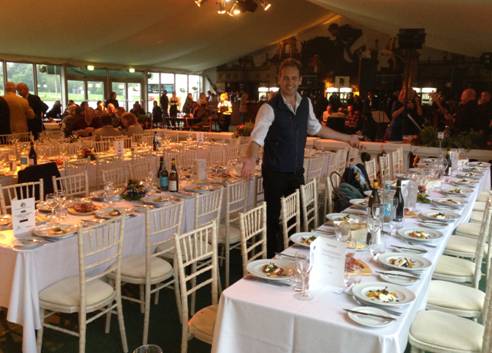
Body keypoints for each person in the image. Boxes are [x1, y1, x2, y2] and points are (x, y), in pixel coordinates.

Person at [241, 58, 359, 257]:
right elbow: (256, 138)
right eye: (286, 78)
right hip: (275, 173)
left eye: (294, 78)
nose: (289, 82)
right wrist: (251, 159)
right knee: (272, 219)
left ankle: (293, 257)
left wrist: (347, 138)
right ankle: (271, 261)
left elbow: (318, 128)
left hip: (296, 172)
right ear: (279, 79)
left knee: (295, 217)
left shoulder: (305, 103)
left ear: (300, 80)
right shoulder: (269, 108)